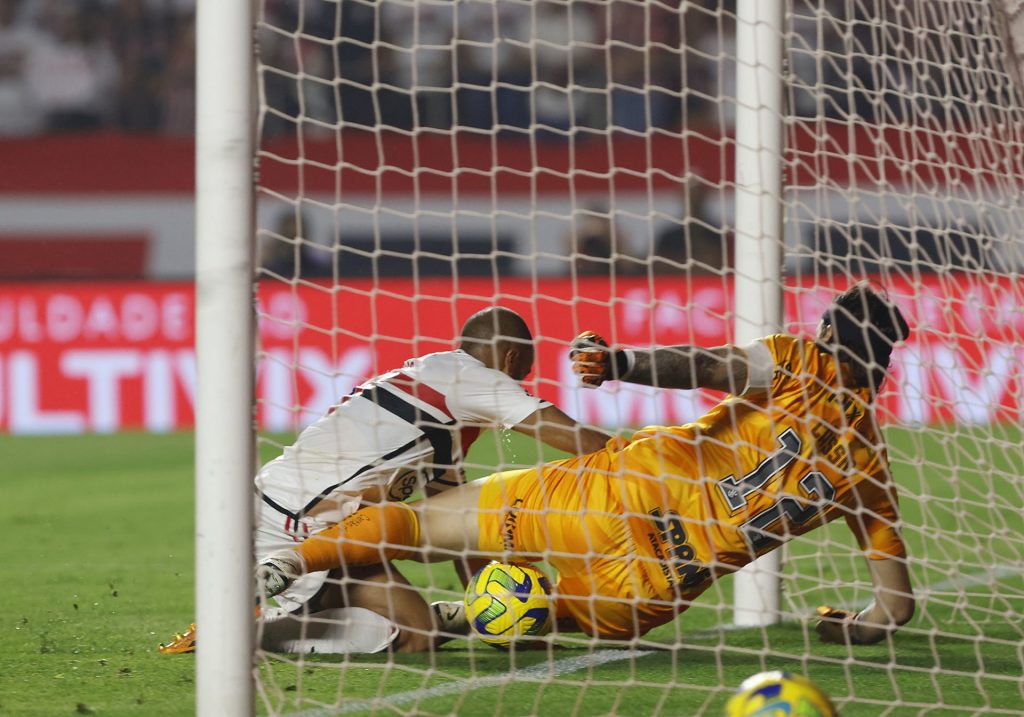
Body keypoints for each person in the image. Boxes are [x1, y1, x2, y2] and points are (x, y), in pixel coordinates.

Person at [259, 283, 915, 649]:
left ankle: (288, 561)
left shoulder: (805, 362)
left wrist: (622, 363)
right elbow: (895, 607)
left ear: (829, 335)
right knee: (535, 609)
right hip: (655, 586)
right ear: (883, 366)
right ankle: (467, 616)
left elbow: (710, 366)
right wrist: (852, 626)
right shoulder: (871, 473)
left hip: (613, 494)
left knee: (413, 523)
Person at [158, 306, 611, 654]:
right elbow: (582, 440)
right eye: (523, 374)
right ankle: (245, 633)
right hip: (295, 519)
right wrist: (644, 463)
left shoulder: (438, 387)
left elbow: (462, 523)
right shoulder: (479, 383)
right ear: (511, 358)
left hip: (321, 517)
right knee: (401, 632)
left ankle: (292, 613)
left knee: (417, 634)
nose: (522, 384)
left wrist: (494, 602)